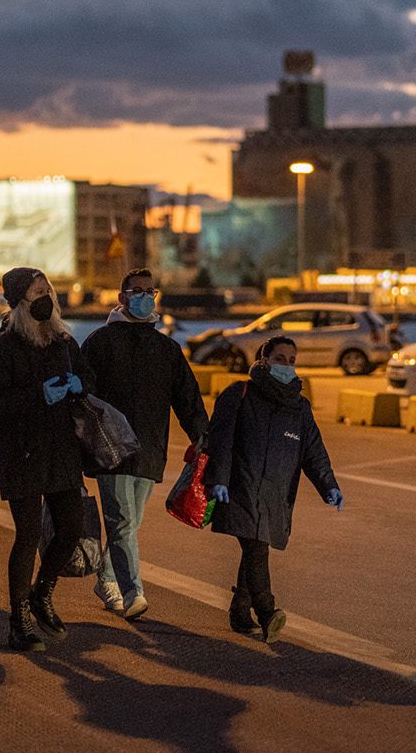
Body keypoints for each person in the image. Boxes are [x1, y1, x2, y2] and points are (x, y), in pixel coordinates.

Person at [0, 267, 94, 652]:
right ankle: (19, 617)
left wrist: (80, 386)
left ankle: (43, 591)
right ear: (17, 302)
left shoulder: (63, 342)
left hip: (61, 449)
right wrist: (38, 395)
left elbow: (88, 379)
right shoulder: (0, 350)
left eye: (48, 291)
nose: (46, 299)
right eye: (36, 293)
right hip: (21, 451)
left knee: (72, 529)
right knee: (27, 535)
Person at [81, 267, 208, 620]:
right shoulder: (99, 343)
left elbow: (187, 397)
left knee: (130, 523)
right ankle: (132, 591)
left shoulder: (165, 348)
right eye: (136, 290)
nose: (143, 296)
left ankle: (106, 578)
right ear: (121, 298)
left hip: (150, 449)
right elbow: (82, 396)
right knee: (121, 521)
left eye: (149, 291)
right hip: (110, 450)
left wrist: (201, 434)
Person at [205, 335, 343, 643]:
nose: (287, 366)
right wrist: (219, 479)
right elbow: (220, 441)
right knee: (256, 548)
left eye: (292, 361)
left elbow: (313, 452)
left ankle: (240, 613)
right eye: (280, 359)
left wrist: (329, 486)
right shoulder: (240, 395)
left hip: (275, 494)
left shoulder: (299, 408)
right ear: (264, 360)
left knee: (256, 547)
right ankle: (267, 612)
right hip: (240, 487)